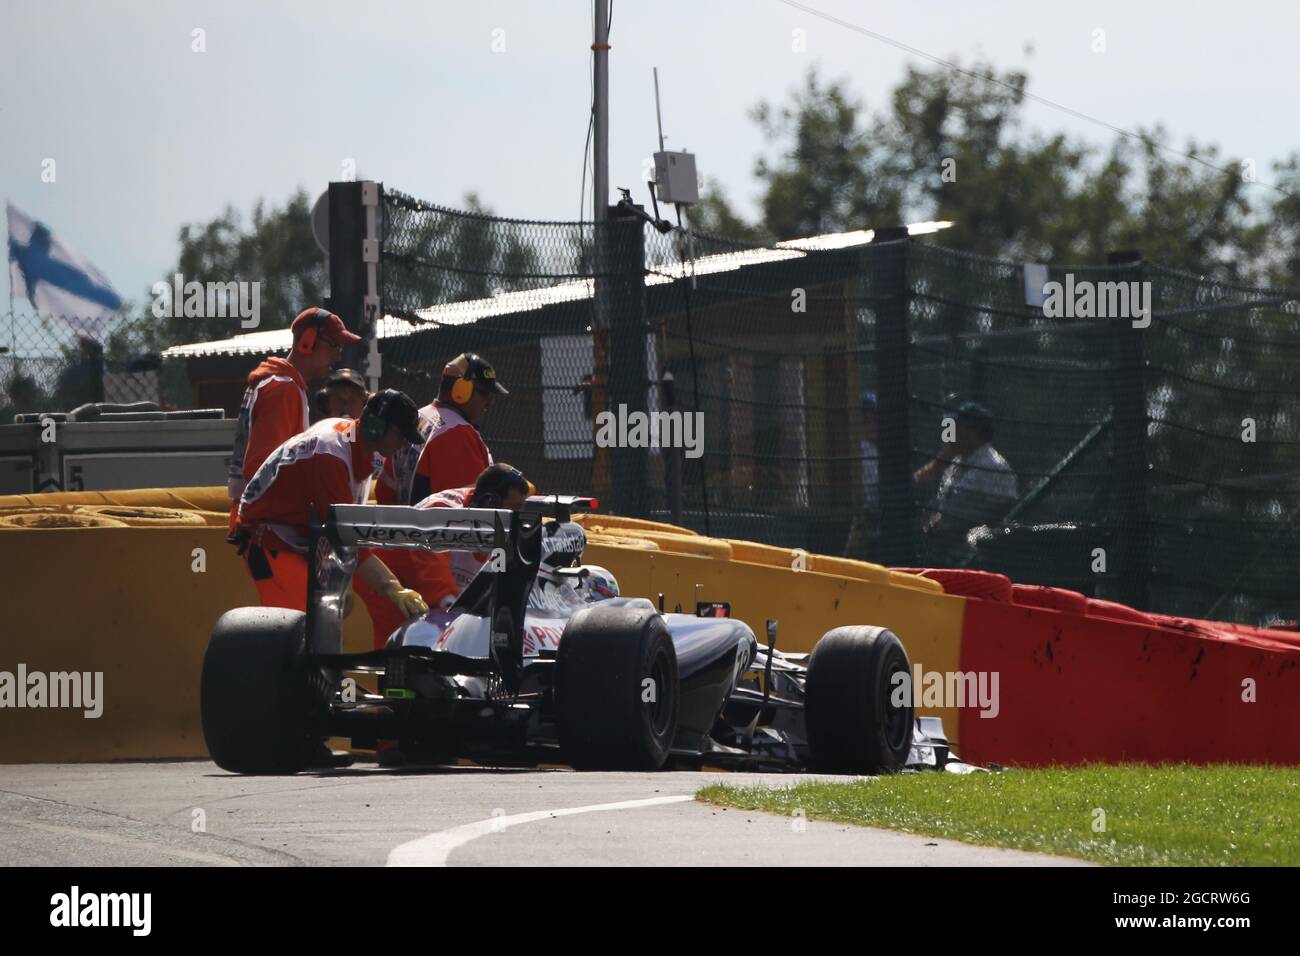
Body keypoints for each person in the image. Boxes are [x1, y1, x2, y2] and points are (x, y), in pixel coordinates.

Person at [229, 389, 429, 621]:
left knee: (320, 626)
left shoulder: (350, 442)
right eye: (400, 435)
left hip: (290, 540)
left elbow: (342, 529)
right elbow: (345, 535)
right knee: (299, 632)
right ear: (376, 426)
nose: (404, 444)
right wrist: (393, 588)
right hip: (270, 541)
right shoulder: (331, 456)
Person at [226, 308, 360, 531]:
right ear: (308, 342)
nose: (338, 356)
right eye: (335, 346)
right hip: (267, 528)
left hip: (263, 522)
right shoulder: (283, 389)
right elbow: (262, 469)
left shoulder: (283, 384)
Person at [914, 400, 1017, 559]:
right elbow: (938, 496)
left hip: (976, 550)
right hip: (943, 545)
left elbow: (1002, 512)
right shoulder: (955, 462)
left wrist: (958, 528)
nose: (949, 432)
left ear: (972, 430)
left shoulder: (994, 465)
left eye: (955, 427)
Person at [844, 391, 879, 559]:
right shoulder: (858, 448)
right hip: (863, 515)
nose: (870, 424)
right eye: (866, 419)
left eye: (874, 419)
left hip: (884, 514)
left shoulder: (888, 449)